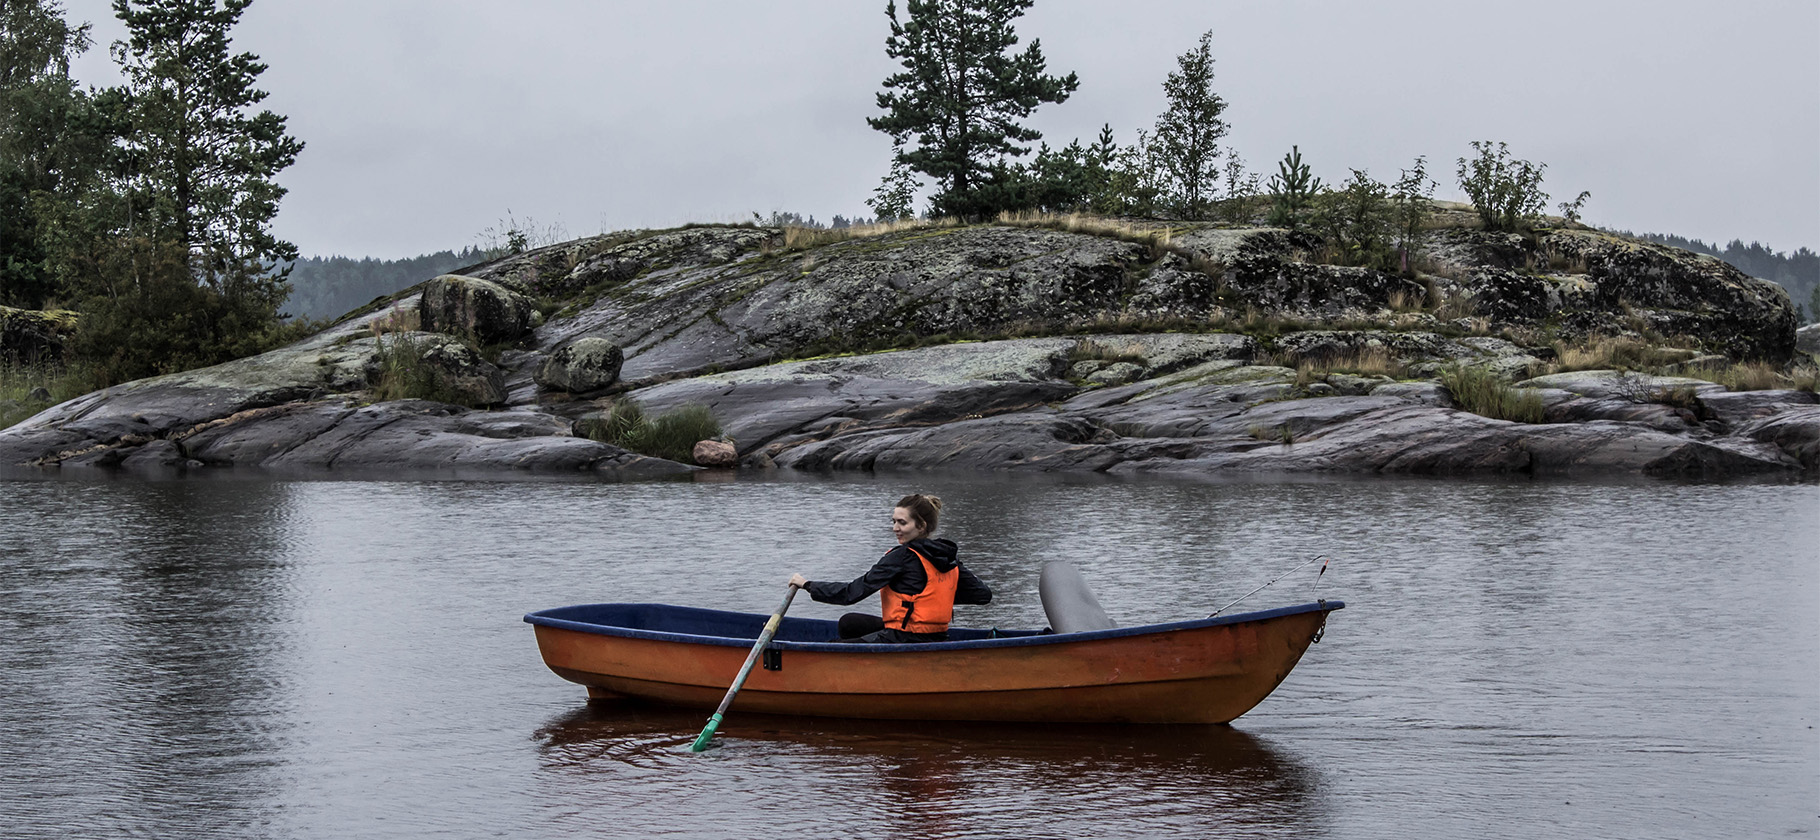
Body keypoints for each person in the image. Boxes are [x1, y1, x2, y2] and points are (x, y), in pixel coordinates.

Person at [788, 493, 991, 643]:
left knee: (833, 647)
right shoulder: (947, 558)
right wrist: (929, 595)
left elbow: (851, 593)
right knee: (850, 623)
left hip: (904, 638)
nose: (895, 528)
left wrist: (808, 585)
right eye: (894, 521)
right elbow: (982, 595)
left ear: (921, 526)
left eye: (902, 523)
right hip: (937, 636)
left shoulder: (901, 557)